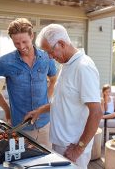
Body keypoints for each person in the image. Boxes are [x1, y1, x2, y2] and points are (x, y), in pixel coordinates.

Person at [24, 24, 103, 169]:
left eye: (50, 51)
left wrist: (78, 149)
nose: (49, 56)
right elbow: (63, 101)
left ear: (61, 43)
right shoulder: (65, 65)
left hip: (72, 147)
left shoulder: (83, 67)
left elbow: (97, 112)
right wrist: (40, 110)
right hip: (60, 143)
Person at [0, 18, 57, 148]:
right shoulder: (5, 62)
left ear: (32, 36)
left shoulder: (46, 57)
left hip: (45, 123)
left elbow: (54, 78)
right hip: (21, 127)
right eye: (16, 43)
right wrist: (6, 109)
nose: (21, 47)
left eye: (24, 42)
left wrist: (46, 102)